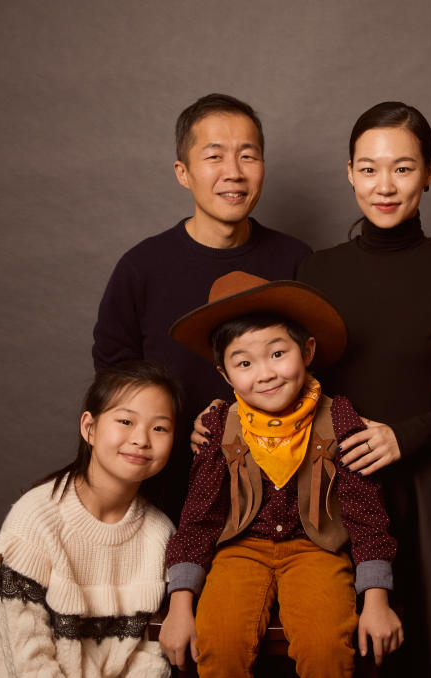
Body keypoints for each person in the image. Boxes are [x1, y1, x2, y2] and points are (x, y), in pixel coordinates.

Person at [296, 102, 431, 677]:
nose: (385, 186)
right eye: (370, 168)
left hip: (425, 495)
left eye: (403, 169)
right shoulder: (315, 272)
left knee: (428, 656)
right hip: (329, 489)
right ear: (350, 172)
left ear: (430, 173)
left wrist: (404, 437)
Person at [159, 271, 402, 677]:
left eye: (277, 354)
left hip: (317, 550)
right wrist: (179, 606)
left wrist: (377, 600)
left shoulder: (339, 416)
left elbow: (366, 515)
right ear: (224, 374)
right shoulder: (219, 424)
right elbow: (199, 519)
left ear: (306, 351)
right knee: (219, 644)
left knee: (327, 649)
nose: (266, 373)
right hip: (239, 549)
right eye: (244, 363)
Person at [92, 93, 311, 522]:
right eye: (214, 156)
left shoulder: (297, 261)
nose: (234, 173)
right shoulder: (142, 267)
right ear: (183, 172)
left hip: (279, 495)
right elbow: (115, 379)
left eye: (248, 156)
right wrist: (174, 426)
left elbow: (321, 371)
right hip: (167, 493)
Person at [0, 361, 181, 677]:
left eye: (160, 428)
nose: (142, 439)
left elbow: (151, 657)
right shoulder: (34, 519)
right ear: (89, 427)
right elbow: (27, 659)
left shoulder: (161, 535)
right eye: (126, 421)